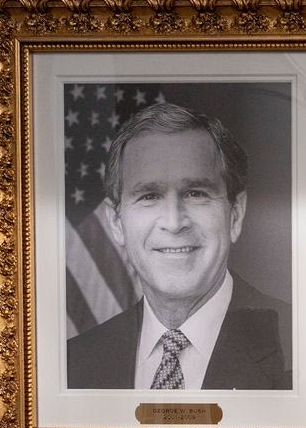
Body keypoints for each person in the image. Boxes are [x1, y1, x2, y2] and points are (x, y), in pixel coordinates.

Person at [66, 102, 291, 390]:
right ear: (116, 222)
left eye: (196, 193)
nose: (173, 223)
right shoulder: (74, 364)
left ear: (235, 214)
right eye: (149, 196)